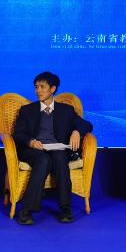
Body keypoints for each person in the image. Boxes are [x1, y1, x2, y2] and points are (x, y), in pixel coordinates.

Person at [12, 71, 93, 225]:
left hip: (57, 149)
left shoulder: (66, 110)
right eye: (36, 87)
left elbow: (86, 124)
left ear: (53, 88)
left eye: (42, 87)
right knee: (43, 159)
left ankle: (65, 208)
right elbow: (18, 134)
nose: (38, 90)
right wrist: (31, 142)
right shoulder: (27, 110)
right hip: (34, 150)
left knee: (60, 157)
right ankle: (27, 210)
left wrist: (77, 132)